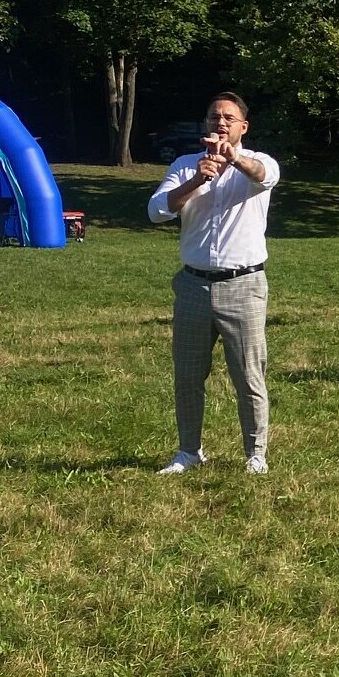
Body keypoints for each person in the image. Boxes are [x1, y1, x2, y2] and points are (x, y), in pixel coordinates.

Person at [148, 93, 280, 474]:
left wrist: (233, 159)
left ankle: (255, 454)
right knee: (188, 375)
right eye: (213, 117)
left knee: (249, 375)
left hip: (244, 285)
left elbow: (265, 175)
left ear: (243, 127)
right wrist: (196, 180)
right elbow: (156, 211)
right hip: (194, 285)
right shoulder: (185, 166)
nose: (220, 122)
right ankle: (189, 451)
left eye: (228, 118)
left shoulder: (257, 162)